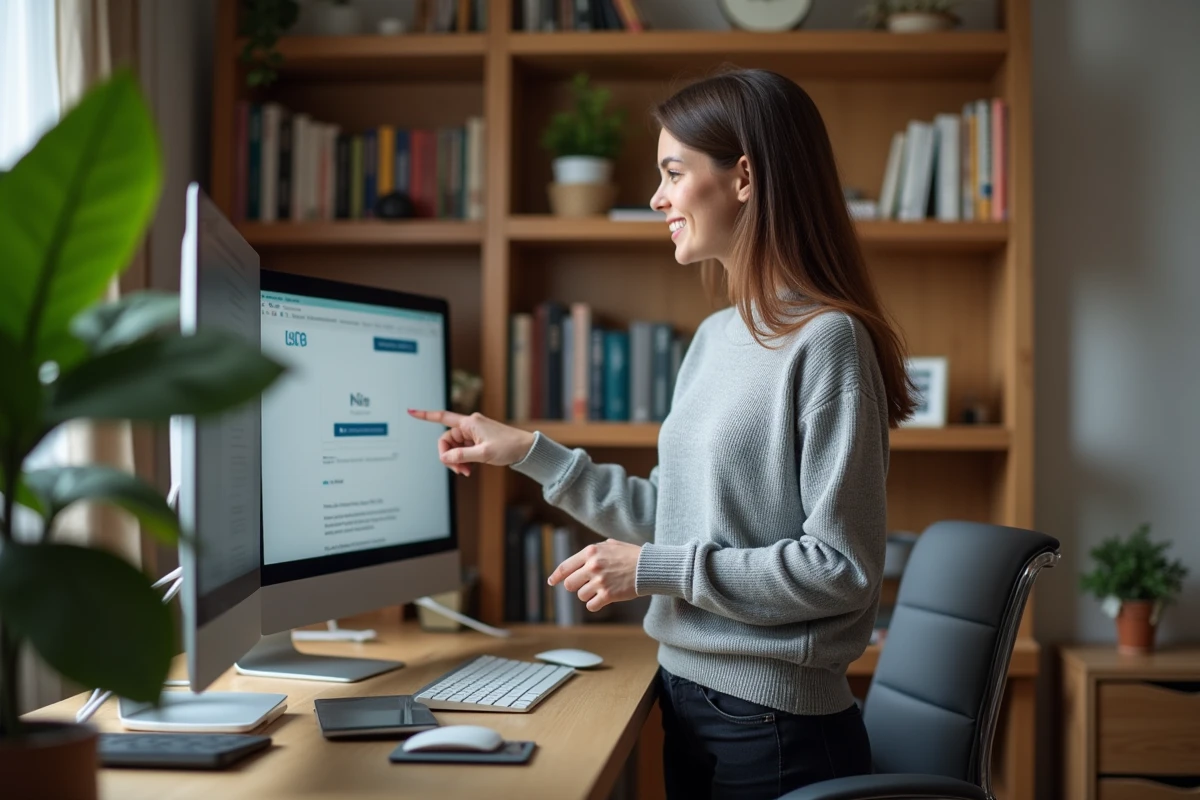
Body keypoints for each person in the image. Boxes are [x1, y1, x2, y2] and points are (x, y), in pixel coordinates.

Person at [410, 68, 917, 799]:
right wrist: (527, 451)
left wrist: (655, 569)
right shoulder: (714, 337)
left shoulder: (827, 341)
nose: (657, 199)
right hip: (686, 697)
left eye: (673, 173)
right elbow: (679, 520)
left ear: (744, 178)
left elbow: (840, 569)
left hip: (775, 725)